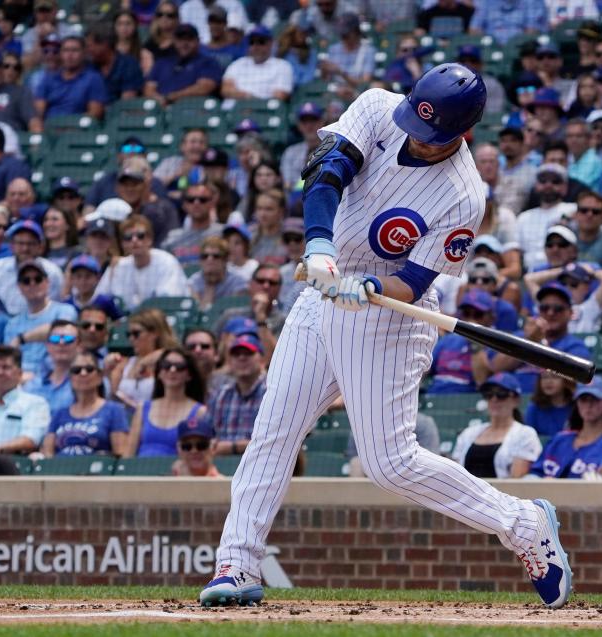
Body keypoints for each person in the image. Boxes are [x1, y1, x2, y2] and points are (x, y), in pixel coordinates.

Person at [199, 63, 572, 611]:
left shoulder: (464, 195)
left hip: (390, 316)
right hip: (322, 292)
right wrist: (320, 246)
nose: (418, 141)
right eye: (415, 127)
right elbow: (326, 170)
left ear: (461, 133)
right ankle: (237, 562)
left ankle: (523, 523)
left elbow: (413, 282)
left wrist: (371, 285)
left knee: (389, 463)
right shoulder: (377, 106)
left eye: (432, 137)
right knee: (273, 432)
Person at [452, 373, 542, 479]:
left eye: (501, 394)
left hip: (501, 494)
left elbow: (516, 481)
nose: (494, 399)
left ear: (516, 400)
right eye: (488, 395)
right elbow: (456, 475)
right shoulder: (468, 433)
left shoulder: (525, 434)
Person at [528, 376, 602, 479]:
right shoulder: (559, 439)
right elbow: (534, 474)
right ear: (577, 404)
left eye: (595, 399)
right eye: (583, 400)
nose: (588, 405)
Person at [41, 350, 129, 457]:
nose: (83, 373)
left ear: (100, 376)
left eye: (89, 369)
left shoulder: (114, 410)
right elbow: (47, 453)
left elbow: (121, 453)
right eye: (76, 370)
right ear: (70, 378)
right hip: (60, 470)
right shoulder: (59, 414)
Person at [94, 215, 188, 311]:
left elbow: (168, 301)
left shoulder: (166, 262)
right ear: (123, 244)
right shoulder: (118, 266)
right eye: (128, 237)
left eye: (140, 236)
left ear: (150, 239)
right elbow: (99, 298)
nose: (134, 240)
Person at [125, 348, 206, 457]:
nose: (172, 370)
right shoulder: (143, 408)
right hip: (140, 471)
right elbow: (128, 454)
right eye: (166, 365)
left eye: (180, 367)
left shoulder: (200, 412)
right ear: (159, 372)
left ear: (189, 375)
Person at [4, 261, 77, 374]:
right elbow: (10, 358)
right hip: (21, 378)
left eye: (38, 279)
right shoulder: (12, 324)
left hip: (54, 374)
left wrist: (22, 339)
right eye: (26, 281)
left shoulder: (65, 310)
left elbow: (59, 331)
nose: (32, 284)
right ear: (19, 287)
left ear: (47, 282)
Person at [203, 333, 265, 456]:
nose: (242, 358)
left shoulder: (273, 393)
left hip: (263, 465)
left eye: (249, 353)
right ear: (229, 362)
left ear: (261, 359)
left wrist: (234, 447)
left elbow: (276, 442)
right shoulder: (220, 395)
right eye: (236, 354)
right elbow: (207, 435)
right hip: (222, 467)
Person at [425, 289, 495, 394]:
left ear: (491, 317)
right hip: (434, 396)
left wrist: (475, 342)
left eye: (478, 315)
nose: (471, 319)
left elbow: (481, 381)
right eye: (466, 313)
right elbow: (424, 371)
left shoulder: (496, 344)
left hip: (467, 402)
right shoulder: (448, 340)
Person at [523, 262, 602, 335]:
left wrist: (590, 271)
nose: (568, 288)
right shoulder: (548, 307)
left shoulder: (590, 307)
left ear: (586, 287)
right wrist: (564, 269)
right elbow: (529, 279)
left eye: (574, 284)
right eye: (563, 283)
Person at [144, 23, 221, 106]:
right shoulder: (162, 62)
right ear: (174, 41)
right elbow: (149, 88)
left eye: (189, 39)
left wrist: (172, 97)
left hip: (193, 109)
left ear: (198, 41)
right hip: (161, 109)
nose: (184, 43)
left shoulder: (207, 62)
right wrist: (159, 99)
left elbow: (204, 87)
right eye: (180, 39)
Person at [220, 26, 292, 101]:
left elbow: (280, 96)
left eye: (261, 42)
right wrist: (248, 97)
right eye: (252, 42)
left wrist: (253, 103)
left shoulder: (282, 66)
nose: (255, 46)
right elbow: (226, 90)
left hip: (263, 111)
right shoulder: (237, 64)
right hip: (233, 110)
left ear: (270, 44)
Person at [23, 319, 78, 413]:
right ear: (47, 345)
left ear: (79, 345)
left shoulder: (86, 382)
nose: (61, 343)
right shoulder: (32, 385)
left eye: (68, 339)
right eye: (55, 339)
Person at [526, 371, 575, 438]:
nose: (548, 381)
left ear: (566, 381)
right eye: (544, 377)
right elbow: (529, 438)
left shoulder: (576, 407)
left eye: (555, 377)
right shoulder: (534, 407)